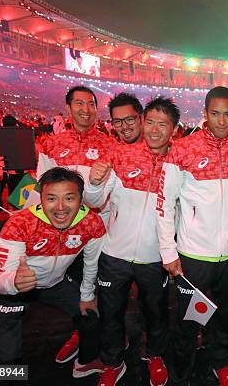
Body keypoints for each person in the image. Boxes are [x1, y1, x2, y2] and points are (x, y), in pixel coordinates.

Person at [157, 87, 228, 386]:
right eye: (215, 114)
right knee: (192, 316)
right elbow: (164, 202)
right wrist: (168, 252)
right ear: (205, 113)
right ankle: (183, 367)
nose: (221, 121)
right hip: (194, 252)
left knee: (225, 315)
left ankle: (220, 361)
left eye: (227, 114)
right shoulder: (183, 149)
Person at [86, 97, 179, 386]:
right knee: (111, 313)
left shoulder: (179, 162)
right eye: (149, 122)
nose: (153, 129)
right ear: (142, 121)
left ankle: (155, 356)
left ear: (173, 129)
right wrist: (94, 182)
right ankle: (112, 362)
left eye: (161, 124)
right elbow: (95, 201)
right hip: (115, 253)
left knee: (155, 311)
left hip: (155, 257)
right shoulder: (120, 156)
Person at [0, 168, 104, 378]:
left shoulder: (91, 223)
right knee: (5, 358)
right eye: (52, 199)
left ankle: (86, 362)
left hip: (52, 284)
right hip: (6, 287)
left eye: (69, 198)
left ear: (81, 199)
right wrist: (14, 283)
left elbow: (91, 263)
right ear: (41, 199)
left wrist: (87, 296)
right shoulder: (21, 222)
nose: (61, 208)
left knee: (91, 315)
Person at [36, 85, 116, 368]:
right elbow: (40, 191)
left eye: (91, 104)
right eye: (79, 104)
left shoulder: (110, 144)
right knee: (72, 287)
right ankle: (80, 332)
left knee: (97, 287)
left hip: (97, 231)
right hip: (62, 234)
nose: (86, 109)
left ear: (97, 109)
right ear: (68, 109)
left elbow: (109, 193)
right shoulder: (52, 145)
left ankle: (107, 338)